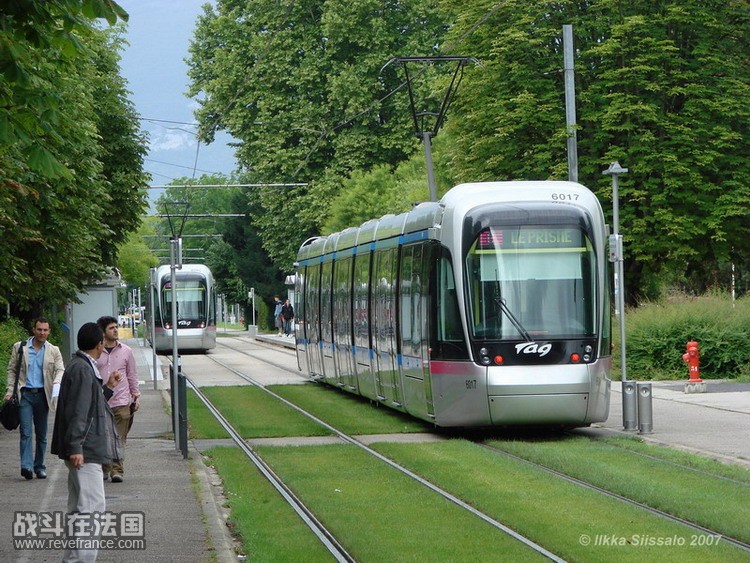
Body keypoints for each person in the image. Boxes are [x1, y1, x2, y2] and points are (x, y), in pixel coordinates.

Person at [51, 322, 120, 563]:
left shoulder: (81, 366)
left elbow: (90, 404)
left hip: (82, 448)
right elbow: (79, 412)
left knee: (80, 508)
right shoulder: (82, 369)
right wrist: (77, 446)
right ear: (99, 344)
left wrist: (108, 388)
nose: (104, 346)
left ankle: (72, 560)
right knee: (92, 509)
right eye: (103, 342)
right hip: (86, 450)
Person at [4, 317, 65, 480]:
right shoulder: (20, 347)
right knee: (25, 432)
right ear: (33, 330)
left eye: (45, 330)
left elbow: (60, 369)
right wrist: (10, 391)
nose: (42, 333)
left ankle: (39, 466)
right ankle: (26, 466)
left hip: (43, 396)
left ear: (49, 331)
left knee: (42, 434)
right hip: (24, 394)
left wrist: (57, 380)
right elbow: (12, 370)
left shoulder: (53, 350)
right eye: (39, 329)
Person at [96, 315, 140, 483]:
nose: (115, 330)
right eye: (111, 328)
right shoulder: (96, 351)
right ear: (103, 332)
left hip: (122, 401)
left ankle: (117, 470)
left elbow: (132, 375)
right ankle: (105, 467)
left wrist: (135, 396)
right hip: (102, 401)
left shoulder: (126, 351)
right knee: (104, 436)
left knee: (119, 438)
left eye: (116, 327)